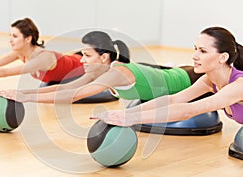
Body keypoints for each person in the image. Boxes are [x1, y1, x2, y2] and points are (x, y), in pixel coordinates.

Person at [91, 26, 243, 127]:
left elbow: (189, 111)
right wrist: (125, 113)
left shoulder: (238, 86)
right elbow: (173, 99)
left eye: (203, 51)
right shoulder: (210, 79)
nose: (194, 56)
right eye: (195, 49)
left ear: (222, 58)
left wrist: (132, 119)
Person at [0, 31, 203, 104]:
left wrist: (27, 98)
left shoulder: (114, 73)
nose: (81, 60)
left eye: (86, 55)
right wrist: (21, 92)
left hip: (189, 79)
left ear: (104, 57)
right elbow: (65, 88)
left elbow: (74, 96)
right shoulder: (101, 70)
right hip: (170, 75)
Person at [0, 18, 84, 84]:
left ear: (28, 39)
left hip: (83, 67)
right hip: (70, 63)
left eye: (15, 36)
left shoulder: (41, 58)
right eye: (10, 36)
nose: (10, 40)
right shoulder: (21, 53)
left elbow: (5, 72)